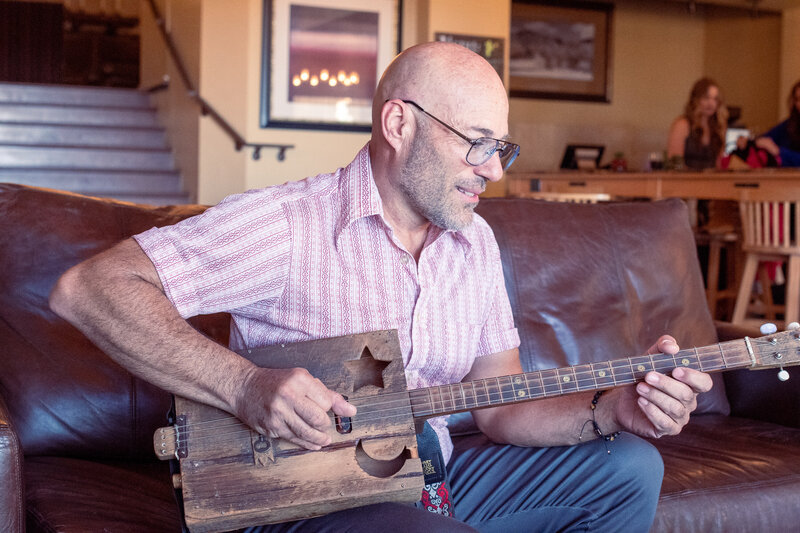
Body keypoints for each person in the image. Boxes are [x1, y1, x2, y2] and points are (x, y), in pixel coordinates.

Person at [49, 42, 712, 532]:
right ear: (399, 124)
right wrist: (243, 384)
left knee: (629, 467)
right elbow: (91, 287)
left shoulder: (473, 242)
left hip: (430, 480)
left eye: (500, 149)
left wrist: (612, 409)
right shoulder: (288, 224)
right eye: (476, 143)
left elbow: (500, 407)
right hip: (309, 497)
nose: (492, 171)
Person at [667, 77, 729, 170]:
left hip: (711, 182)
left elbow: (718, 164)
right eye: (706, 98)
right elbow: (675, 164)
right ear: (696, 100)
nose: (710, 103)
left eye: (715, 99)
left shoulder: (718, 127)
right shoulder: (683, 124)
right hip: (686, 181)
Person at [755, 79, 800, 167]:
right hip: (785, 178)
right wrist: (749, 142)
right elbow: (764, 139)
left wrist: (779, 151)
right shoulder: (789, 124)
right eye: (798, 99)